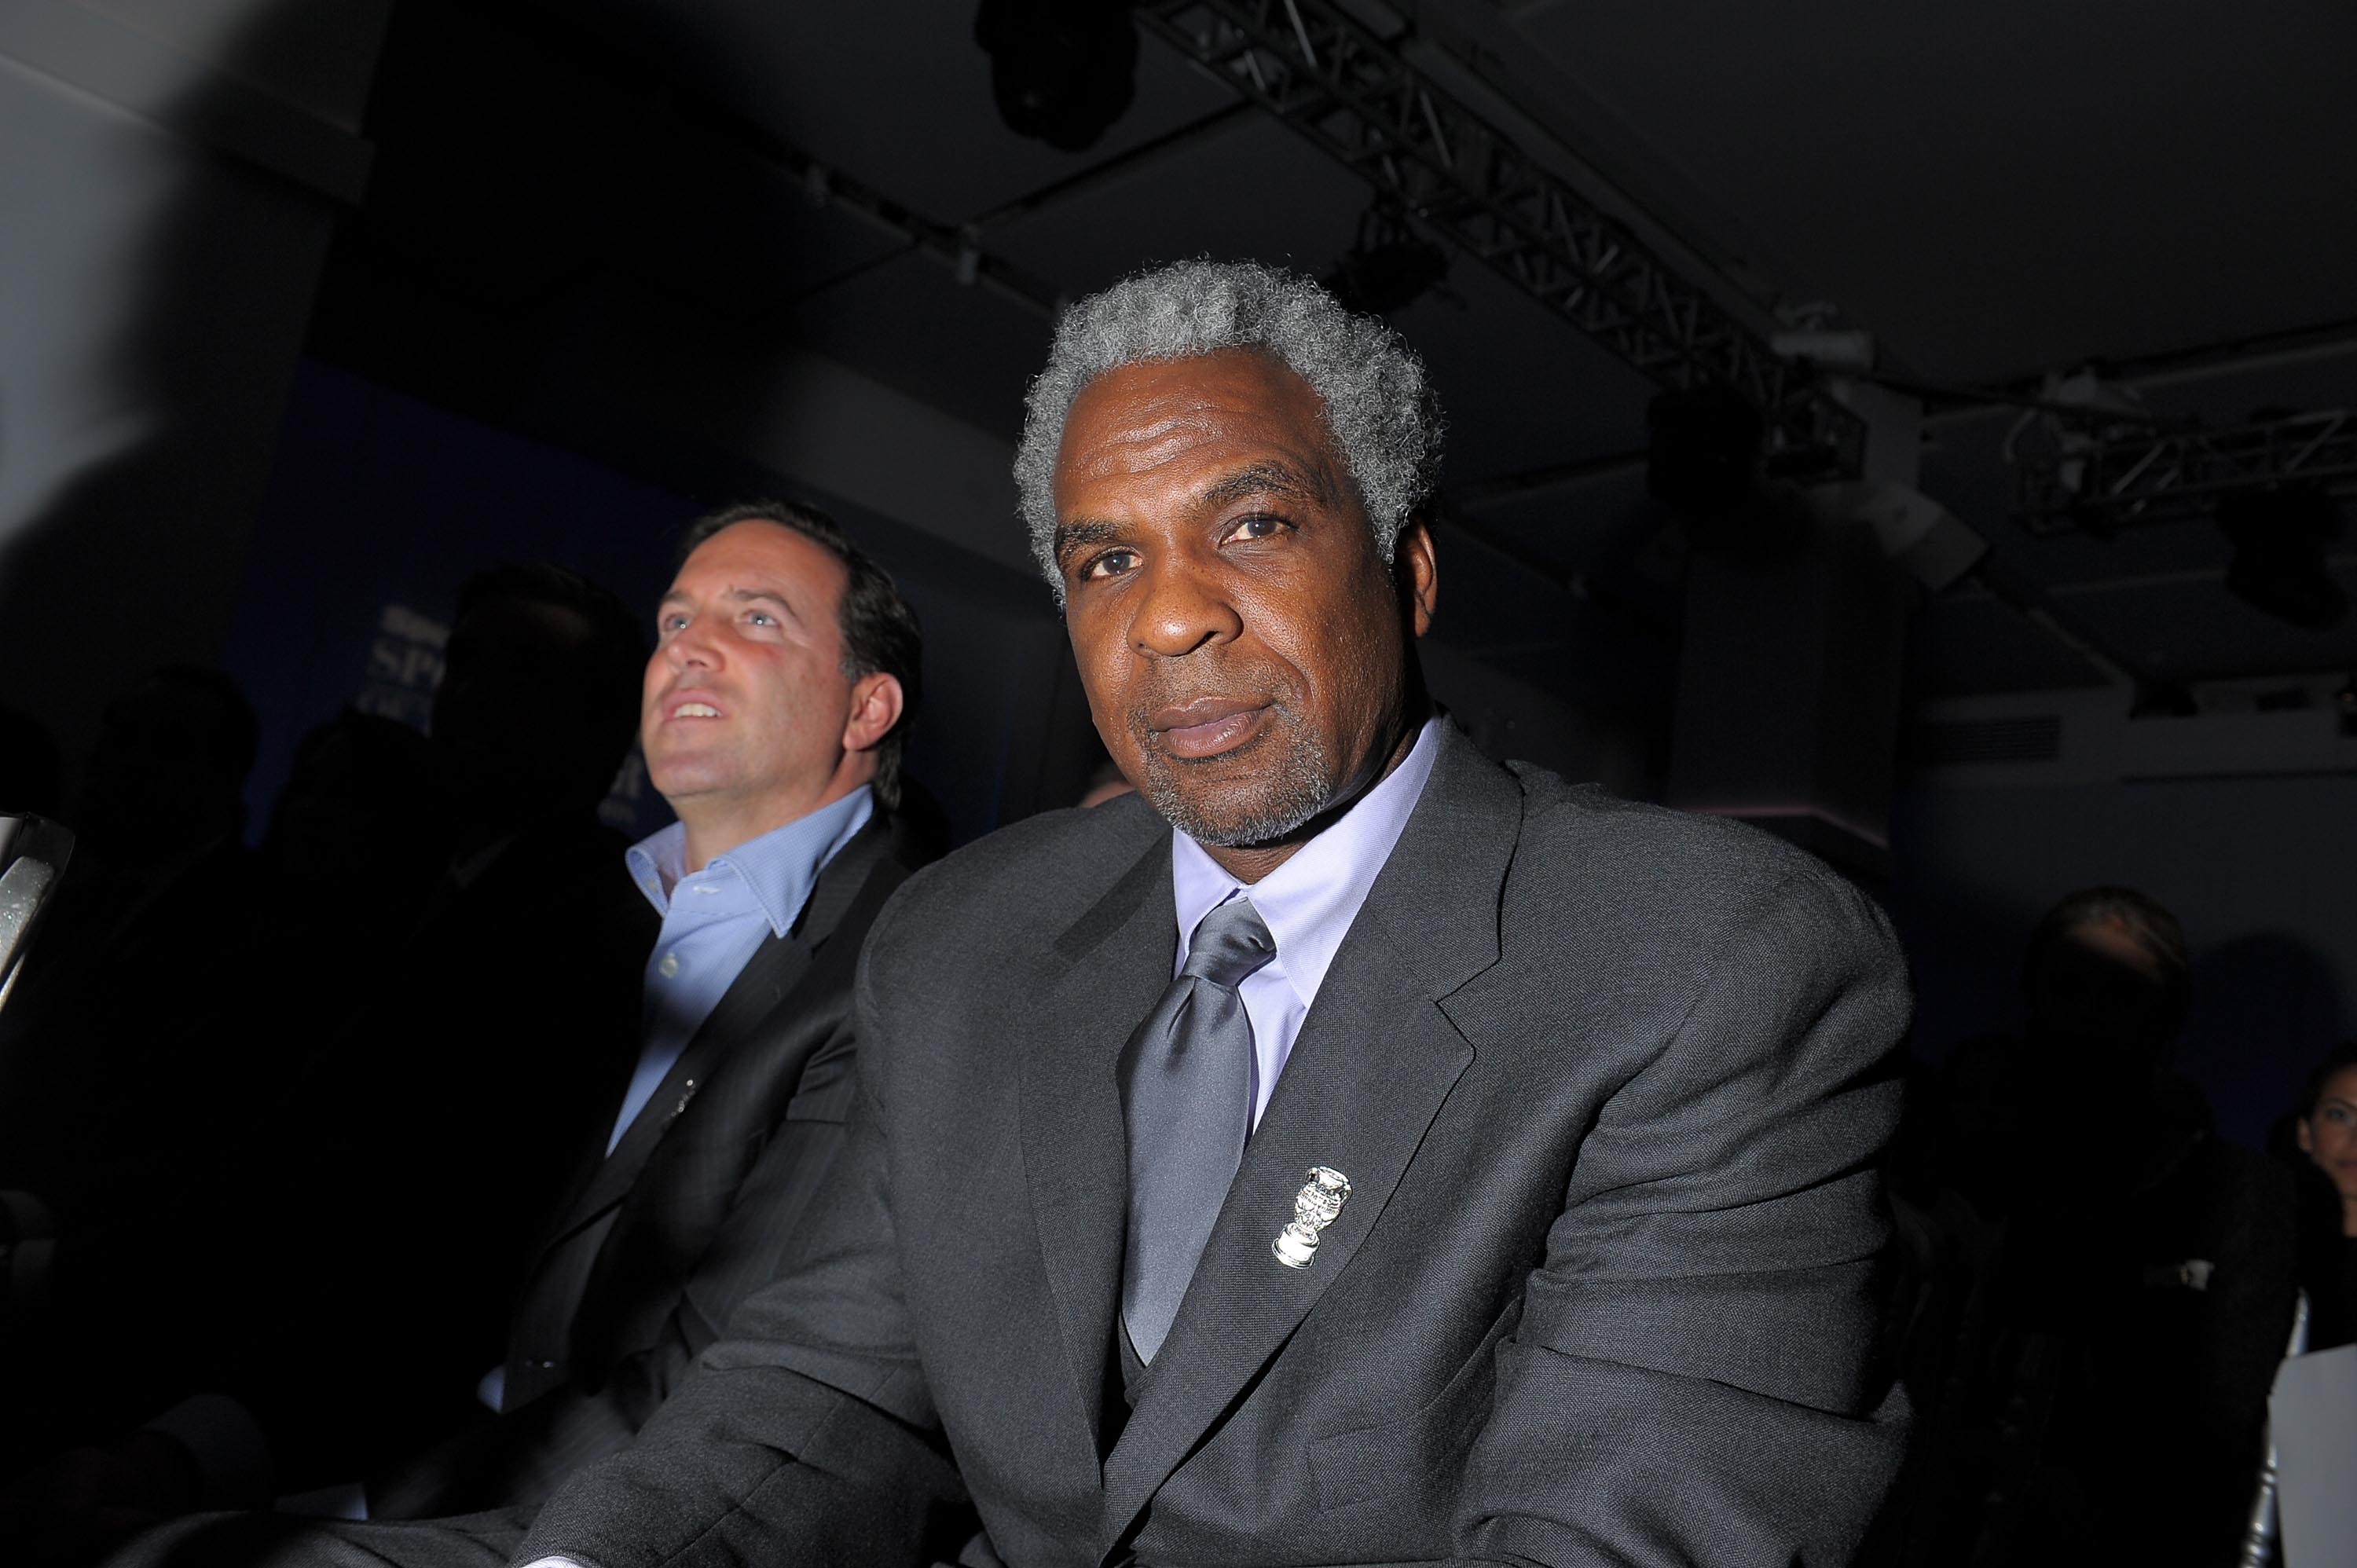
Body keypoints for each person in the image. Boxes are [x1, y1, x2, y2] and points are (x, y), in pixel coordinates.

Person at [123, 259, 1912, 1566]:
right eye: (1105, 559)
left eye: (1253, 527)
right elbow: (830, 1398)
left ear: (1412, 571)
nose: (1171, 617)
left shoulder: (1708, 963)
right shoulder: (964, 941)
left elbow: (1626, 1535)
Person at [1871, 887, 2298, 1568]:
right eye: (2067, 987)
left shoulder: (2240, 1192)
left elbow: (2214, 1425)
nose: (2088, 1013)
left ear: (2168, 1011)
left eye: (2122, 992)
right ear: (2033, 995)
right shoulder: (1952, 1158)